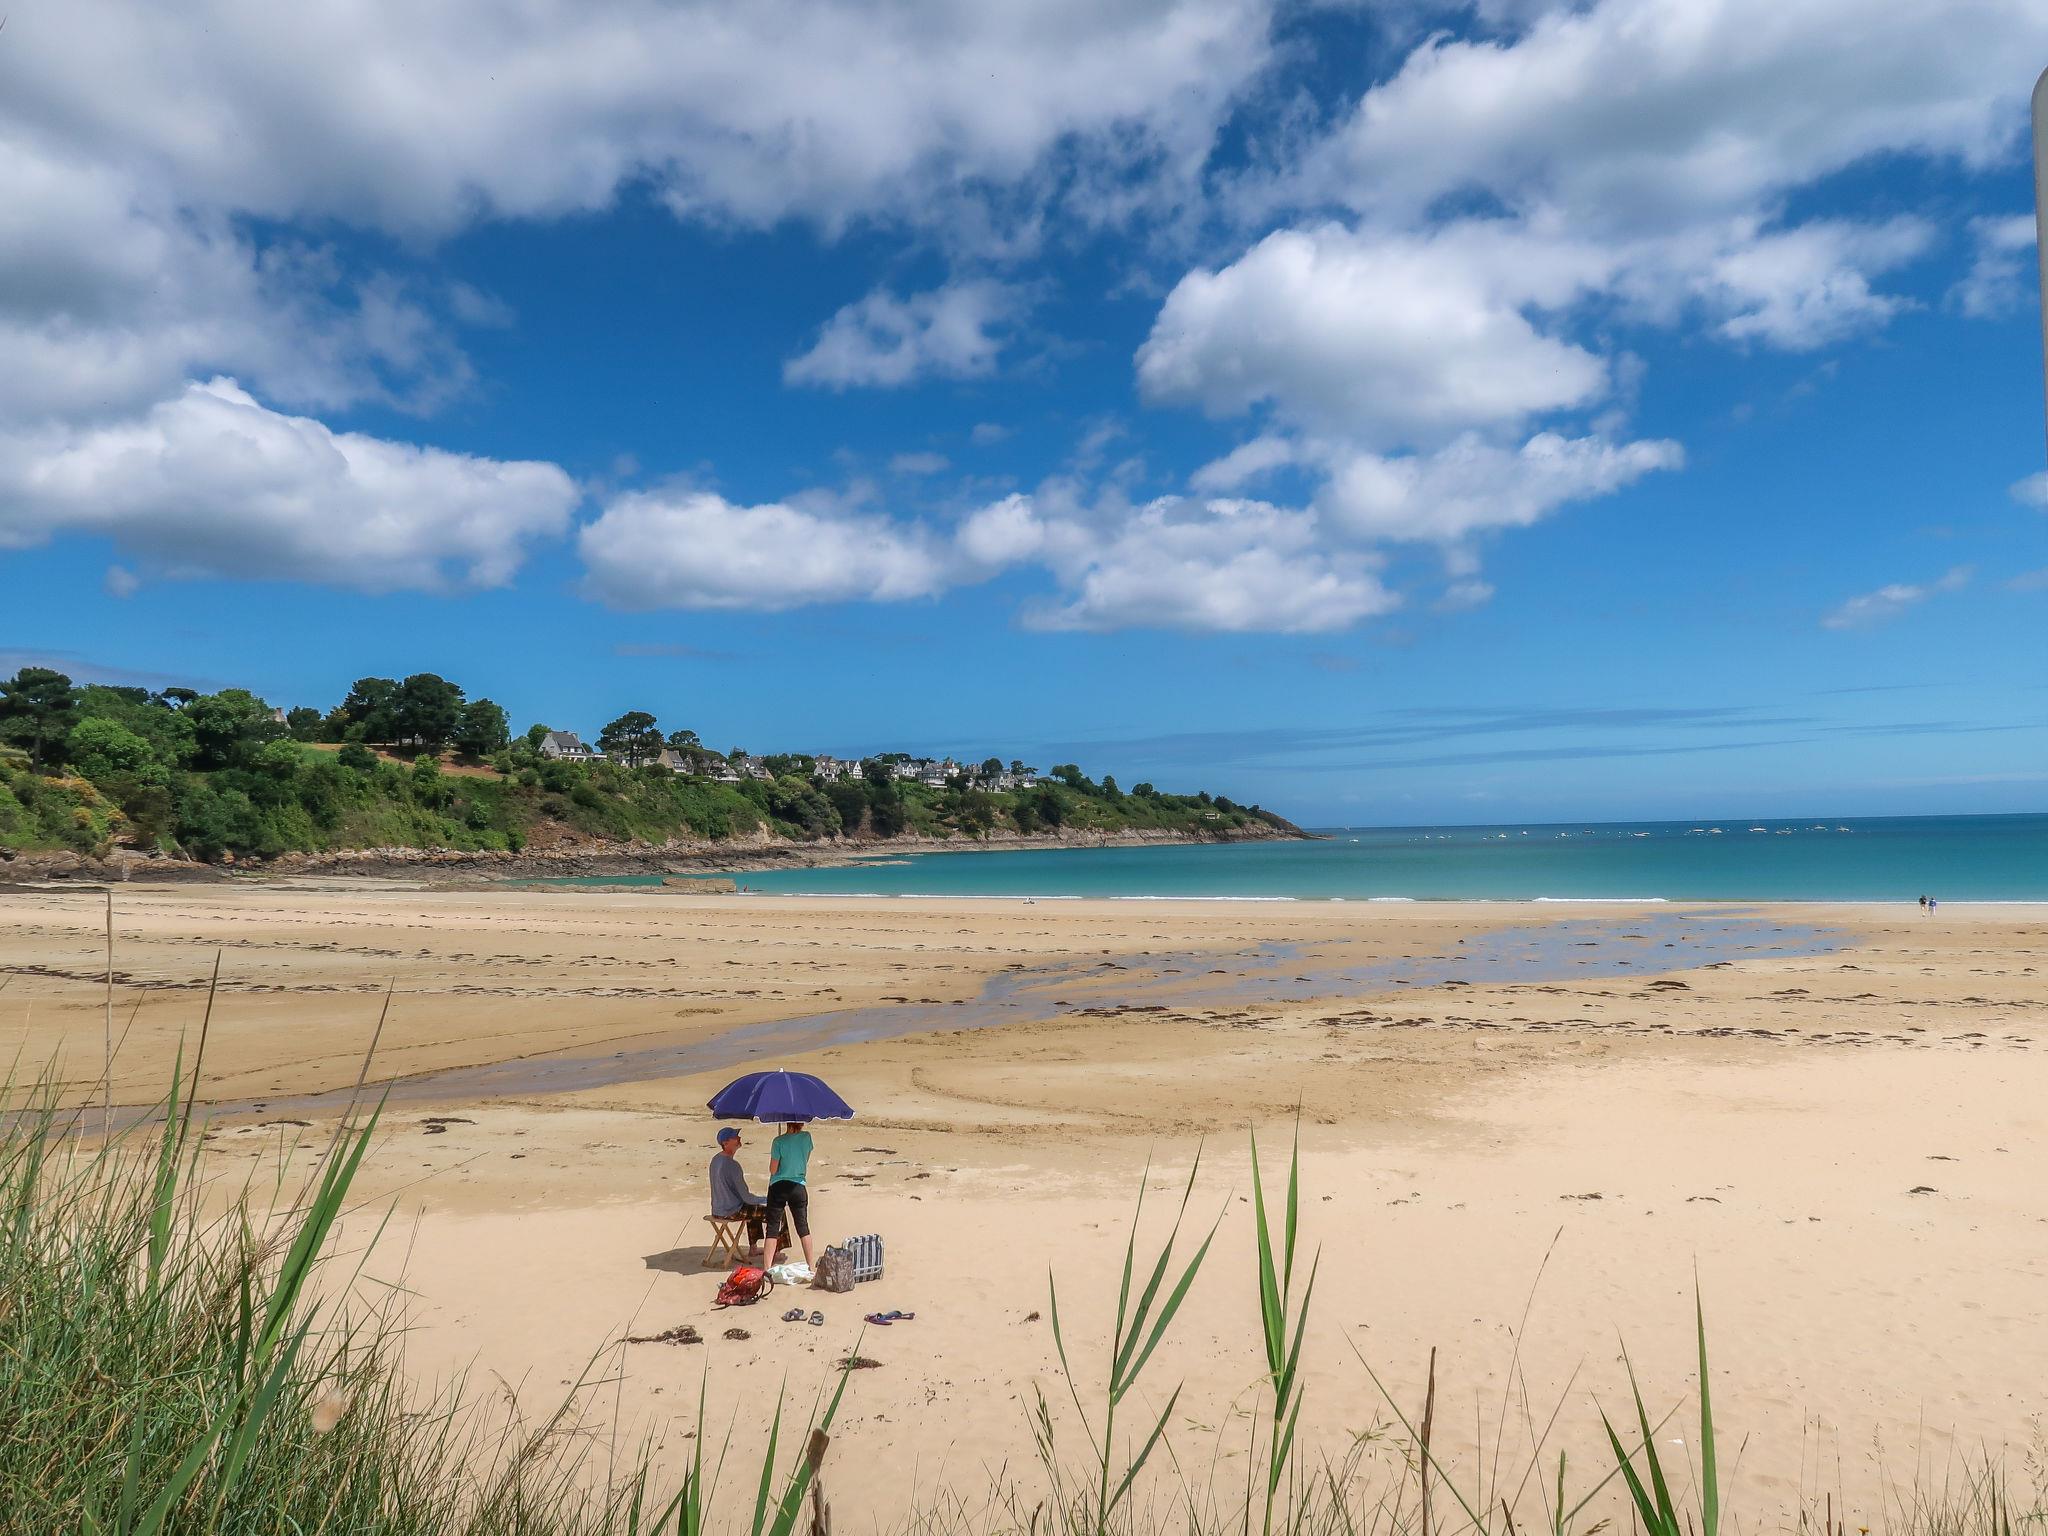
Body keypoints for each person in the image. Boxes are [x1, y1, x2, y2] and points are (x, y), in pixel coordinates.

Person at [760, 1120, 816, 1273]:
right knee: (803, 1227)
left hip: (778, 1185)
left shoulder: (778, 1141)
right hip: (798, 1185)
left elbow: (773, 1170)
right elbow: (805, 1159)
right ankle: (811, 1266)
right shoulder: (806, 1137)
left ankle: (767, 1269)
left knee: (772, 1228)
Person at [708, 1126, 766, 1255]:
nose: (739, 1138)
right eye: (734, 1137)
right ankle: (775, 1249)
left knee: (753, 1209)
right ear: (725, 1143)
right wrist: (767, 1199)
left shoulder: (715, 1159)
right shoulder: (733, 1165)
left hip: (717, 1210)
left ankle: (754, 1248)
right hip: (731, 1211)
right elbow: (747, 1198)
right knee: (775, 1211)